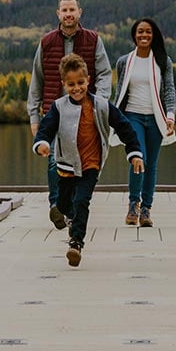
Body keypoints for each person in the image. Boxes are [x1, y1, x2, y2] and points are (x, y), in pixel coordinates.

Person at [33, 53, 144, 267]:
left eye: (81, 83)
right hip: (65, 166)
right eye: (71, 84)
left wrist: (134, 153)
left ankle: (76, 243)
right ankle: (67, 214)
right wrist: (42, 144)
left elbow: (124, 126)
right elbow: (46, 128)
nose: (77, 88)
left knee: (82, 201)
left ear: (88, 80)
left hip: (91, 164)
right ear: (64, 84)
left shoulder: (101, 105)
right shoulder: (58, 107)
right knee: (65, 204)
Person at [27, 0, 112, 229]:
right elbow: (37, 81)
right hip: (55, 113)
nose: (68, 14)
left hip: (86, 113)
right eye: (64, 10)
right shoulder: (46, 42)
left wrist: (101, 102)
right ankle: (57, 207)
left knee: (82, 163)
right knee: (55, 160)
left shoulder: (94, 40)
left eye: (72, 10)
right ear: (58, 14)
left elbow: (105, 73)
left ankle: (72, 207)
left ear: (79, 12)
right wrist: (35, 116)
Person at [113, 17, 176, 228]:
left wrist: (170, 116)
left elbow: (169, 90)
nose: (144, 35)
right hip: (133, 116)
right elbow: (120, 92)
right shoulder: (124, 61)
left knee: (151, 164)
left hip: (156, 118)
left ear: (154, 35)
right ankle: (133, 205)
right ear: (134, 35)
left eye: (148, 32)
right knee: (138, 158)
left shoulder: (163, 61)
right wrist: (114, 117)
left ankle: (146, 209)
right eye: (140, 32)